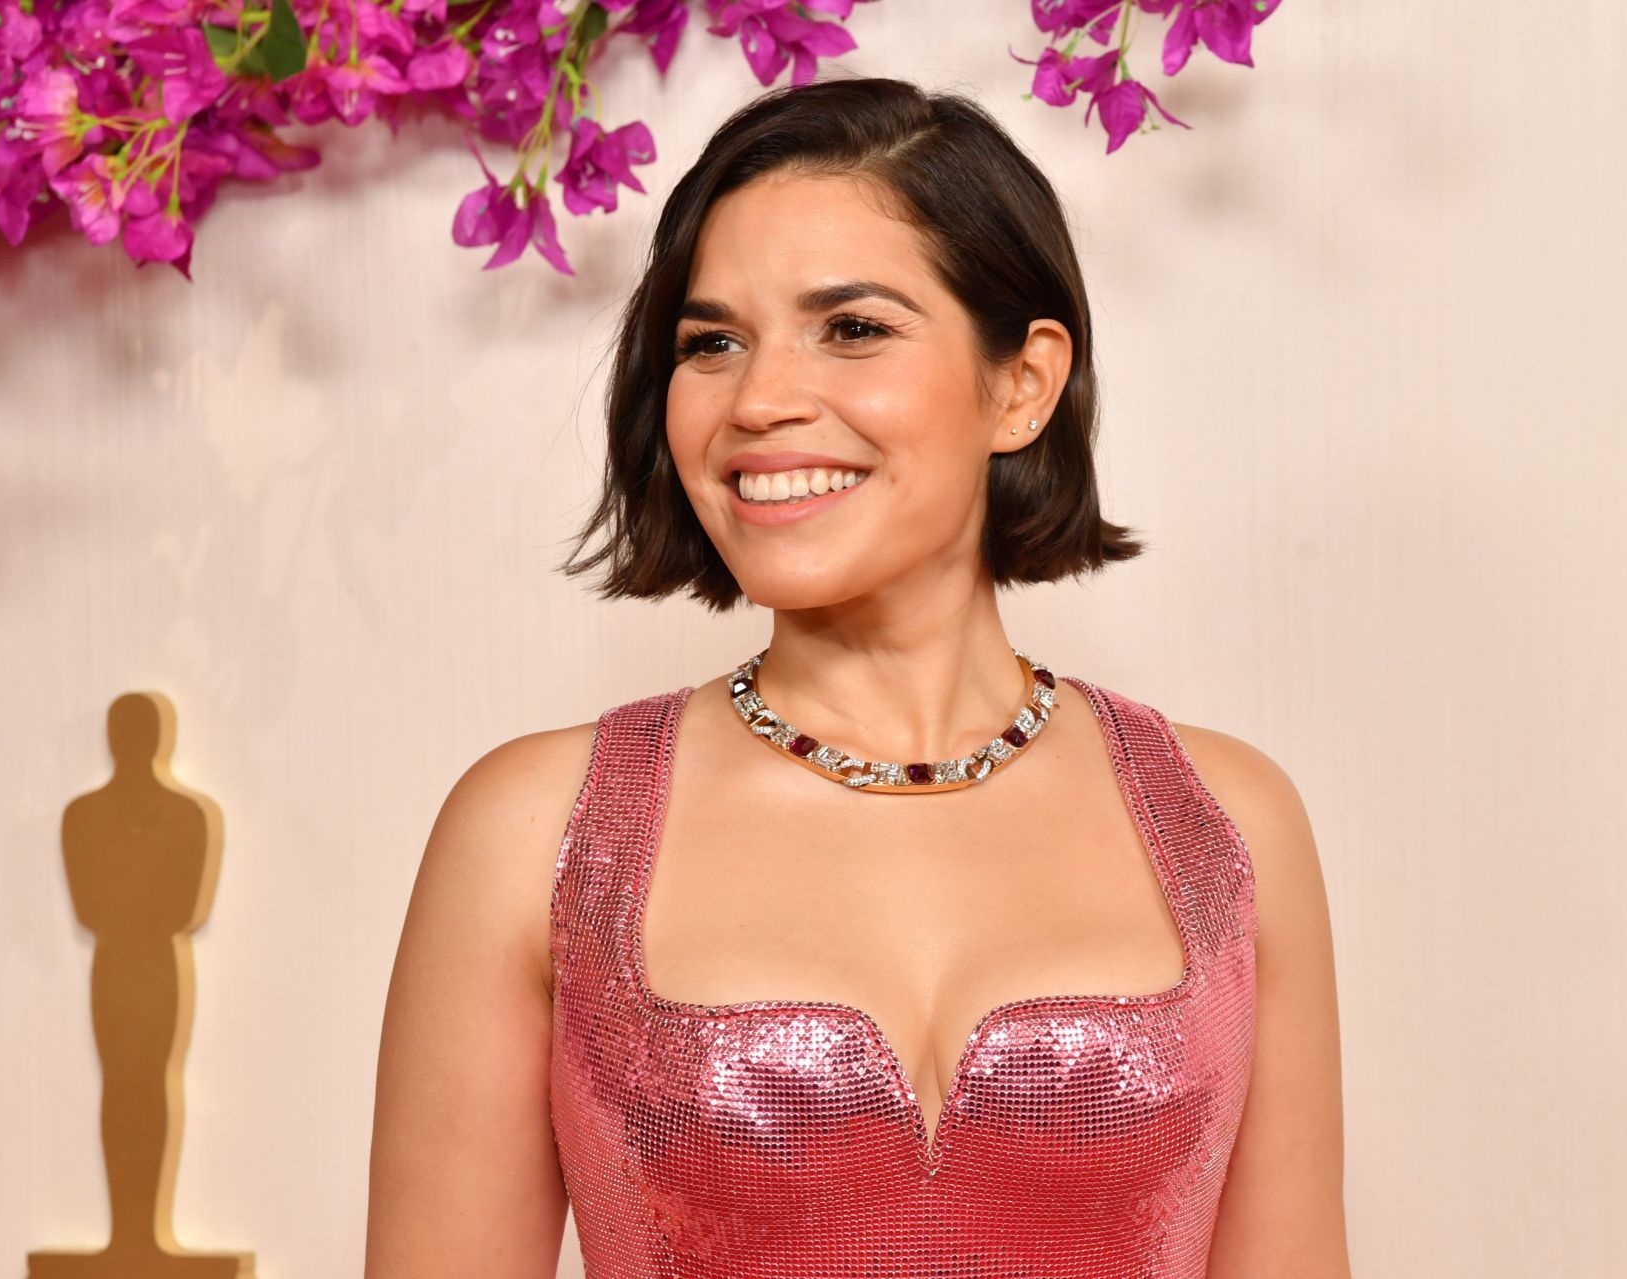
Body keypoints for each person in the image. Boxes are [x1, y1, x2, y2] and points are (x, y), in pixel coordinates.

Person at [366, 75, 1349, 1277]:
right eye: (712, 341)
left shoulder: (1228, 824)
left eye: (854, 327)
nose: (761, 400)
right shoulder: (534, 831)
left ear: (1023, 384)